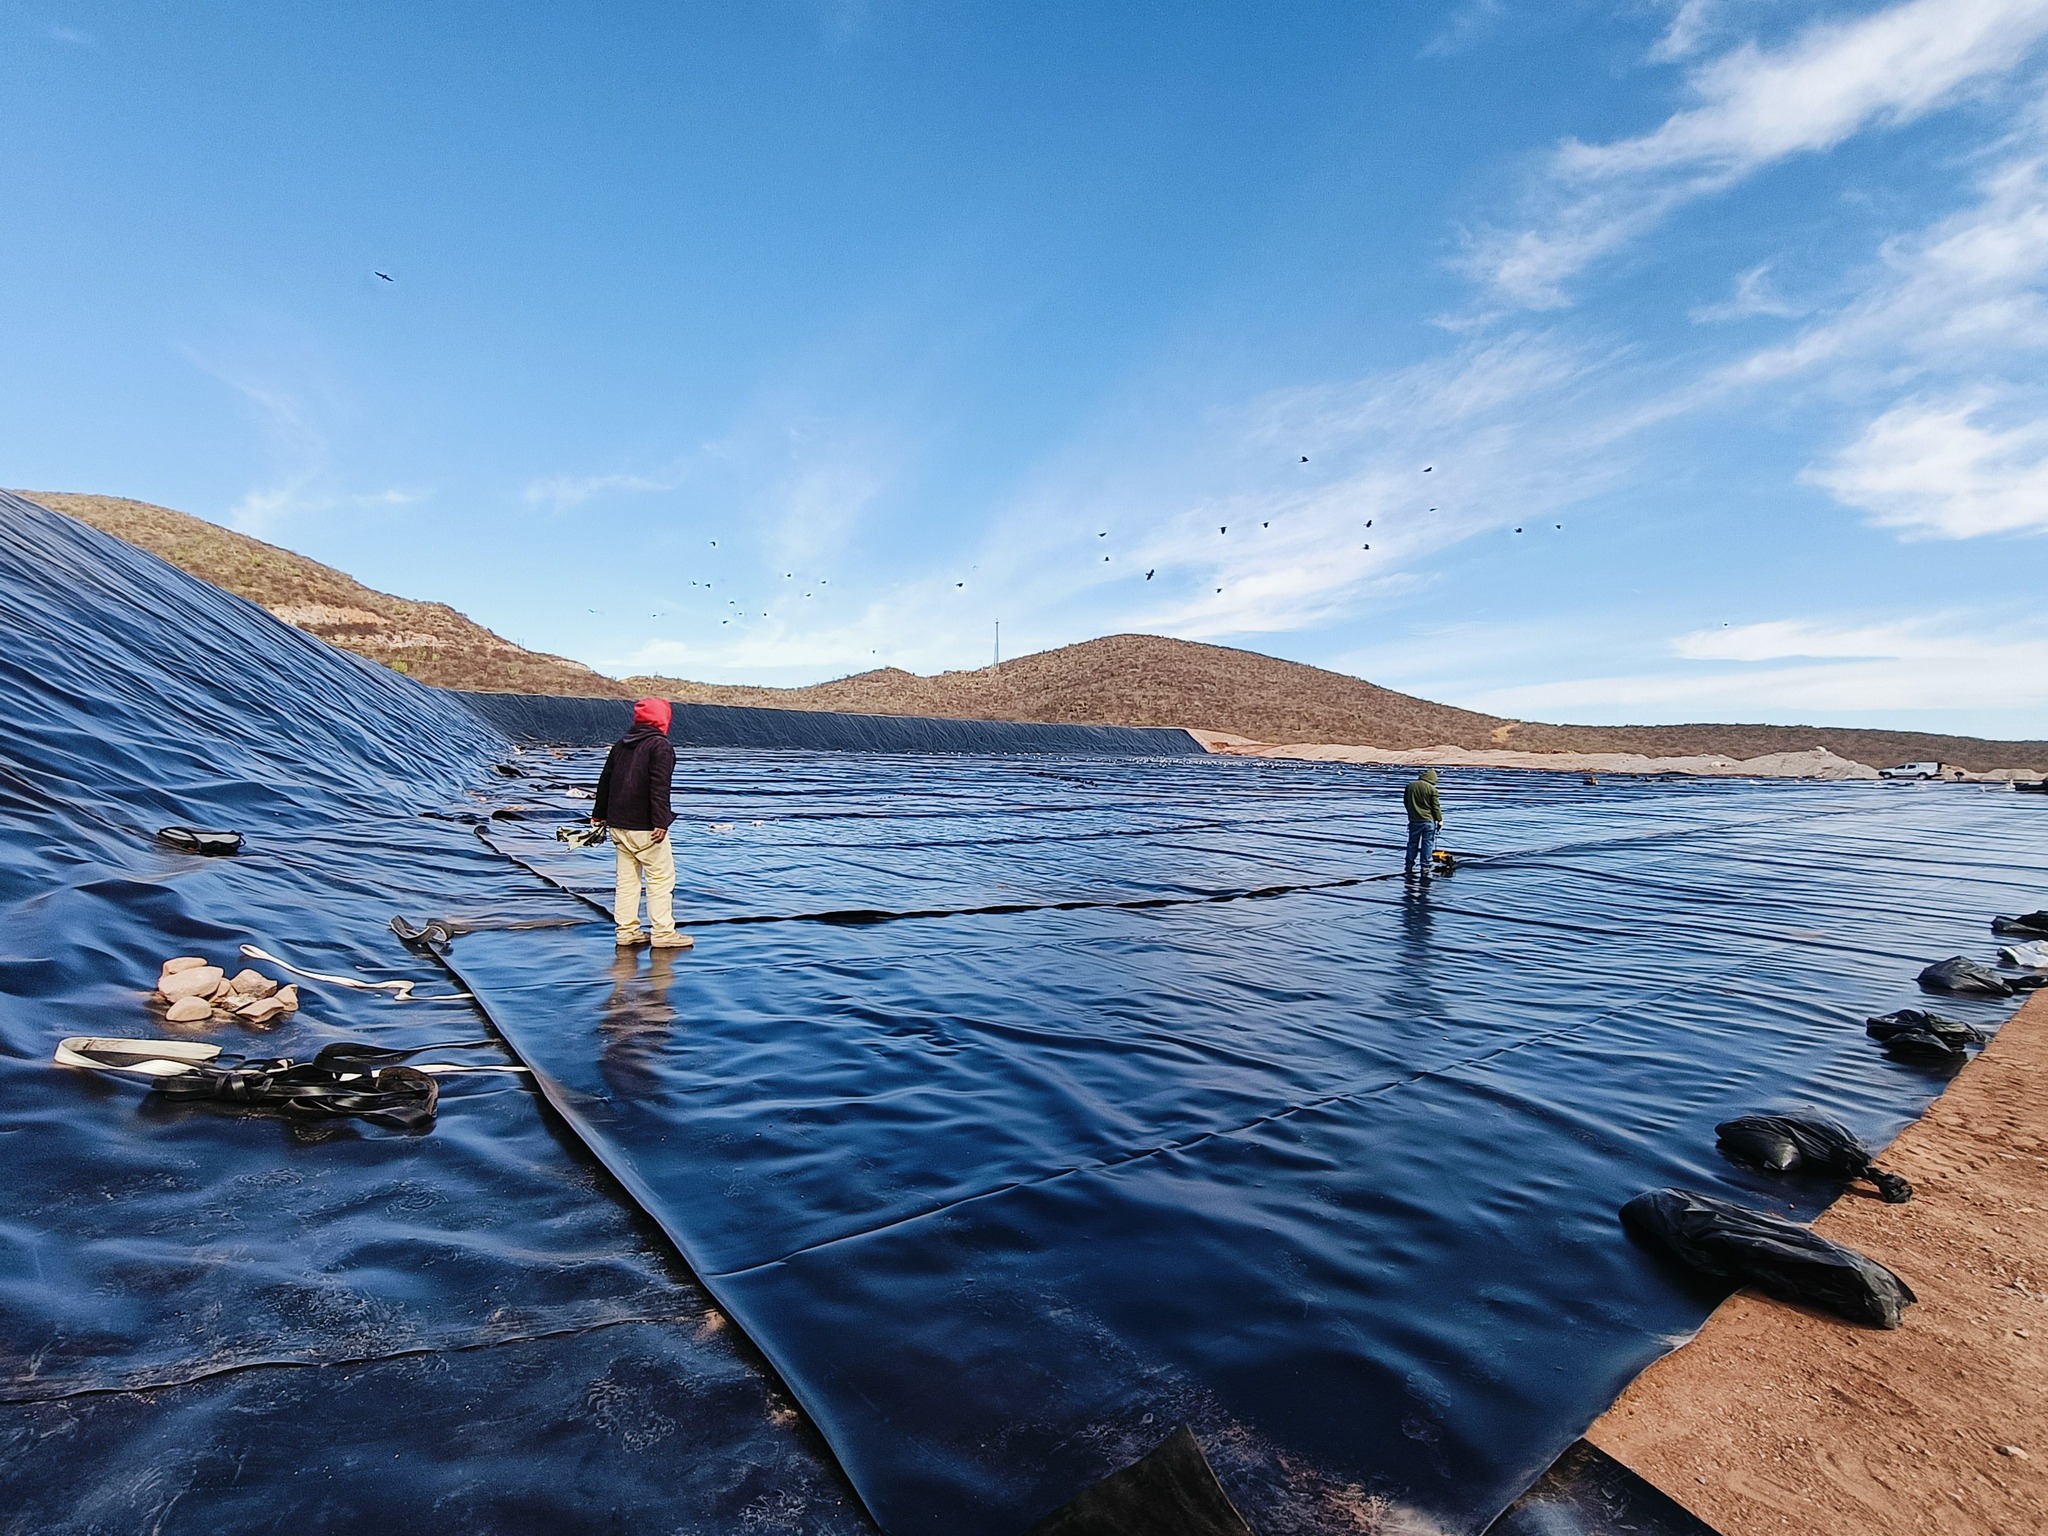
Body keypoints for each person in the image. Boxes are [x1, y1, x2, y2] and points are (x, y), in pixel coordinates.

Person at [592, 698, 692, 949]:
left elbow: (605, 781)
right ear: (663, 719)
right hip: (645, 827)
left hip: (618, 825)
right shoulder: (660, 746)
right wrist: (660, 821)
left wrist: (598, 814)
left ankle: (626, 932)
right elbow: (659, 787)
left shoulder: (621, 745)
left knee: (627, 881)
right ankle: (663, 933)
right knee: (660, 879)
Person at [1402, 767, 1443, 876]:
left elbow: (1406, 802)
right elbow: (1435, 807)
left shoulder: (1410, 786)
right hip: (1428, 821)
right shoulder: (1432, 789)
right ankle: (1425, 866)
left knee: (1412, 843)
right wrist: (1439, 820)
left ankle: (1409, 865)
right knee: (1427, 843)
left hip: (1414, 820)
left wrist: (1411, 813)